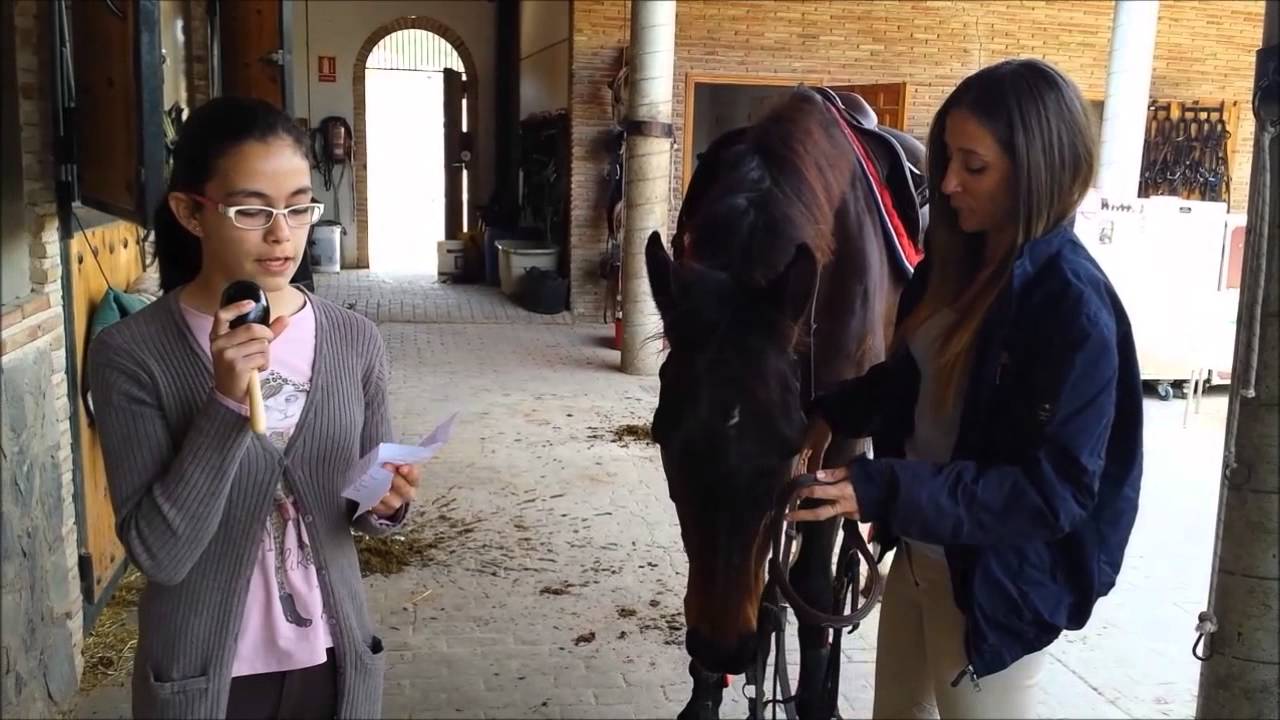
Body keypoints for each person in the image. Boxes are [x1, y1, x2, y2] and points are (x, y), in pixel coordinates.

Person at [788, 58, 1143, 719]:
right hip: (924, 559)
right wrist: (831, 410)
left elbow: (1053, 493)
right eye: (947, 158)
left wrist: (880, 486)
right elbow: (913, 379)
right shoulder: (952, 266)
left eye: (973, 166)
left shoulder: (1073, 311)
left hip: (994, 587)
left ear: (1037, 169)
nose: (946, 183)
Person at [89, 96, 419, 720]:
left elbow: (361, 500)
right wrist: (223, 402)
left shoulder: (353, 340)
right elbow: (159, 553)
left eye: (298, 208)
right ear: (192, 212)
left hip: (333, 660)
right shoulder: (131, 354)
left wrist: (386, 505)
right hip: (206, 678)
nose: (282, 233)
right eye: (251, 210)